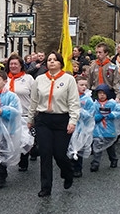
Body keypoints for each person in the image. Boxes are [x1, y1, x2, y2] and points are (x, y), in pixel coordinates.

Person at [27, 51, 80, 197]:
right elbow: (34, 101)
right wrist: (30, 119)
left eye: (55, 60)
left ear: (60, 63)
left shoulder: (69, 79)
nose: (51, 62)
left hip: (62, 119)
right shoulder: (39, 79)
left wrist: (73, 121)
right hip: (43, 120)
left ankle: (67, 172)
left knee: (59, 154)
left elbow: (74, 103)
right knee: (45, 153)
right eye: (49, 60)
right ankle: (46, 187)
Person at [5, 53, 35, 171]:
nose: (13, 66)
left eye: (15, 64)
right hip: (7, 115)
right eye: (11, 64)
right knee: (7, 139)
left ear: (21, 65)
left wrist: (33, 115)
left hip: (24, 114)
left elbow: (34, 97)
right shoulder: (4, 79)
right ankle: (4, 165)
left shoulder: (28, 79)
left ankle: (24, 159)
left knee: (24, 140)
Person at [90, 84, 120, 172]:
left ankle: (113, 159)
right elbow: (91, 115)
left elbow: (119, 112)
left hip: (109, 129)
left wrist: (111, 115)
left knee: (110, 147)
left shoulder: (112, 103)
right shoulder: (94, 105)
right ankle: (95, 163)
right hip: (98, 130)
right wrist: (98, 117)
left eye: (104, 93)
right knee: (97, 146)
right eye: (100, 93)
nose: (102, 95)